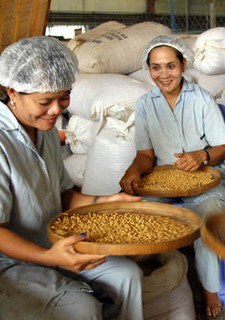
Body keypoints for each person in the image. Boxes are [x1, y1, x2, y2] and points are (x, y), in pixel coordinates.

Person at [0, 36, 144, 319]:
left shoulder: (45, 131)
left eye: (63, 97)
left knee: (127, 275)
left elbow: (63, 195)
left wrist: (107, 201)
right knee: (80, 307)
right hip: (10, 262)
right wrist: (47, 257)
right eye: (45, 101)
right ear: (12, 92)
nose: (56, 110)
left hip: (53, 242)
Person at [119, 34, 225, 317]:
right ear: (149, 70)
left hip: (208, 178)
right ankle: (143, 277)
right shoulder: (146, 104)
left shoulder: (202, 98)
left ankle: (209, 289)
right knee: (137, 213)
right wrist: (133, 170)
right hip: (162, 181)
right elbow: (145, 156)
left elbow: (222, 147)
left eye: (170, 66)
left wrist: (202, 156)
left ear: (183, 65)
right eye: (156, 67)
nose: (164, 74)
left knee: (209, 220)